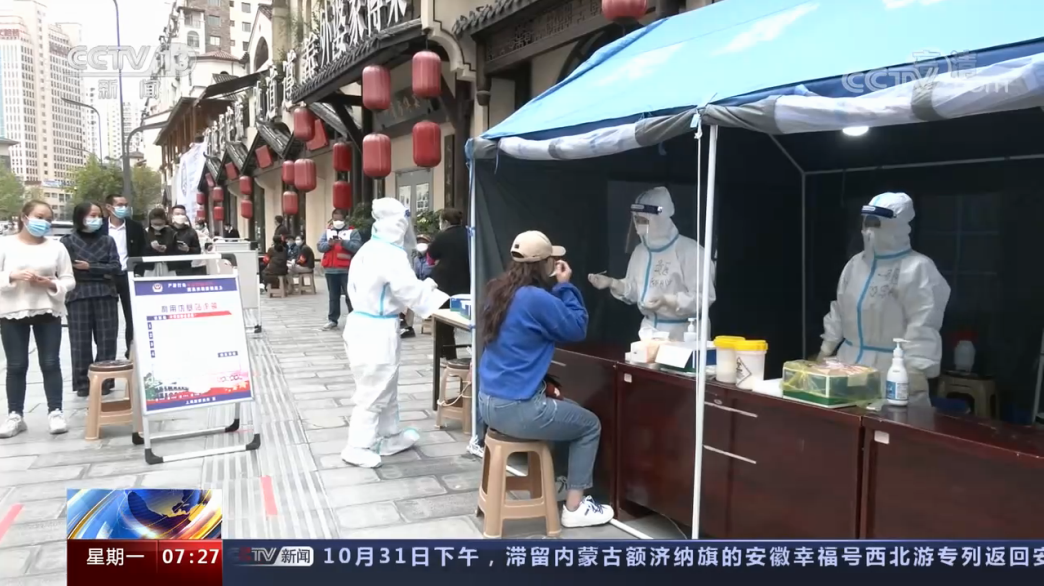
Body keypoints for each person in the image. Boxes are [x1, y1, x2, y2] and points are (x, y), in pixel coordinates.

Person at [477, 230, 613, 527]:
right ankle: (575, 508)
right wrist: (565, 286)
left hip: (488, 403)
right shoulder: (535, 298)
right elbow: (577, 328)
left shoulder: (498, 290)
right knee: (589, 425)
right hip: (516, 409)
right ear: (545, 263)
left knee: (570, 410)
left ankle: (562, 482)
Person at [341, 198, 448, 468]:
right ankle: (357, 445)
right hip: (376, 330)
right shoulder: (390, 254)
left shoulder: (368, 249)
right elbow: (409, 292)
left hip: (366, 325)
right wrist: (432, 289)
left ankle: (388, 436)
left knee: (385, 386)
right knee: (374, 389)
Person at [820, 192, 950, 407]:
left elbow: (924, 324)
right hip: (847, 368)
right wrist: (825, 350)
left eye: (877, 222)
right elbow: (840, 310)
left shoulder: (917, 268)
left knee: (886, 425)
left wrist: (915, 371)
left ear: (898, 225)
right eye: (867, 221)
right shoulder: (855, 265)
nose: (869, 229)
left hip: (892, 372)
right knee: (846, 423)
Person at [588, 186, 716, 341]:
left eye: (643, 220)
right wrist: (612, 283)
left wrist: (669, 301)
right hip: (649, 332)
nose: (638, 225)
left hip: (685, 334)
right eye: (636, 219)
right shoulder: (640, 252)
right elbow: (634, 291)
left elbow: (704, 297)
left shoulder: (691, 252)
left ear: (660, 219)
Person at [0, 201, 76, 438]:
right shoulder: (5, 244)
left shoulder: (57, 247)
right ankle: (15, 415)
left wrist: (50, 283)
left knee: (50, 362)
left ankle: (55, 411)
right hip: (13, 310)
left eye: (48, 219)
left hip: (48, 309)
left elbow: (69, 279)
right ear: (24, 217)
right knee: (16, 365)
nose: (44, 223)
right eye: (39, 217)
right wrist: (11, 275)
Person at [61, 201, 121, 398]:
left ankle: (105, 380)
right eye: (91, 215)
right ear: (80, 217)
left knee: (107, 340)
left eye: (98, 215)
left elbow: (115, 267)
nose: (96, 219)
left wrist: (90, 267)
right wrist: (101, 270)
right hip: (77, 295)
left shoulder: (107, 241)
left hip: (106, 295)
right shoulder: (67, 241)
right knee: (80, 341)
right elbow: (68, 270)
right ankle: (82, 382)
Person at [99, 194, 146, 357]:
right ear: (109, 207)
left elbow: (143, 249)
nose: (123, 208)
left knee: (132, 317)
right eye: (119, 205)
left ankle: (131, 352)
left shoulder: (135, 227)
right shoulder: (100, 227)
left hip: (129, 275)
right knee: (108, 319)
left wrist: (138, 272)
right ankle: (107, 356)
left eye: (125, 204)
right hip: (106, 277)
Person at [427, 208, 470, 358]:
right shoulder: (469, 234)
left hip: (444, 283)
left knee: (443, 321)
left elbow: (431, 254)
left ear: (445, 222)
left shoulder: (442, 236)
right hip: (466, 282)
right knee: (465, 318)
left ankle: (447, 354)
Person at [318, 209, 362, 330]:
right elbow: (320, 247)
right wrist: (329, 244)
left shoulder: (352, 232)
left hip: (347, 270)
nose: (337, 221)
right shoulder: (327, 232)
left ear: (345, 219)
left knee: (350, 296)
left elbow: (358, 247)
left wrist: (344, 243)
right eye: (335, 219)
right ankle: (332, 320)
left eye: (340, 219)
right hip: (330, 270)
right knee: (333, 297)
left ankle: (354, 319)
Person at [400, 235, 433, 339]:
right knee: (410, 298)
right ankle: (408, 326)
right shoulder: (416, 260)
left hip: (432, 287)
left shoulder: (432, 259)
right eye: (419, 242)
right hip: (421, 286)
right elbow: (415, 276)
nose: (421, 244)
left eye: (424, 242)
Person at [168, 205, 202, 276]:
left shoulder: (191, 232)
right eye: (177, 214)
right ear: (172, 216)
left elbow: (197, 250)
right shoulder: (166, 230)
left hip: (185, 267)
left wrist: (188, 249)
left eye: (182, 214)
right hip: (168, 268)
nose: (180, 216)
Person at [142, 208, 176, 276]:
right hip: (150, 267)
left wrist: (167, 248)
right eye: (155, 224)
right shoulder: (145, 232)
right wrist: (151, 247)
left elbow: (176, 249)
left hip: (168, 266)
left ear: (164, 221)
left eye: (160, 224)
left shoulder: (171, 232)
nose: (157, 226)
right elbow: (141, 250)